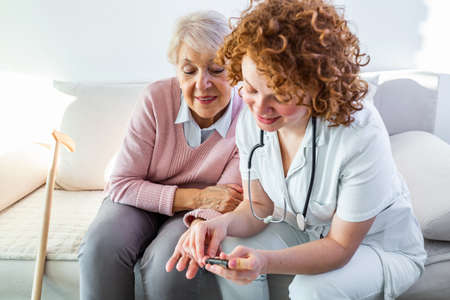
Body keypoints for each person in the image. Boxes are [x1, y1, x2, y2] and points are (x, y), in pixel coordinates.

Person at [166, 1, 427, 299]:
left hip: (377, 245)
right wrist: (217, 225)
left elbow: (340, 247)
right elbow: (260, 208)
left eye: (280, 95)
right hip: (307, 229)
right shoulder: (252, 122)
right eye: (250, 89)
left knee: (310, 288)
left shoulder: (359, 133)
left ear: (316, 85)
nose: (260, 109)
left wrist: (264, 262)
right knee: (229, 247)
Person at [78, 10, 244, 300]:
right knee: (100, 247)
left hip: (193, 216)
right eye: (189, 70)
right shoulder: (156, 98)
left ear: (237, 69)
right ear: (177, 71)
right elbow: (121, 184)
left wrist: (202, 210)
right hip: (136, 201)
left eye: (217, 69)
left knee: (170, 265)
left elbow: (228, 198)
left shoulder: (250, 116)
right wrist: (200, 196)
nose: (202, 84)